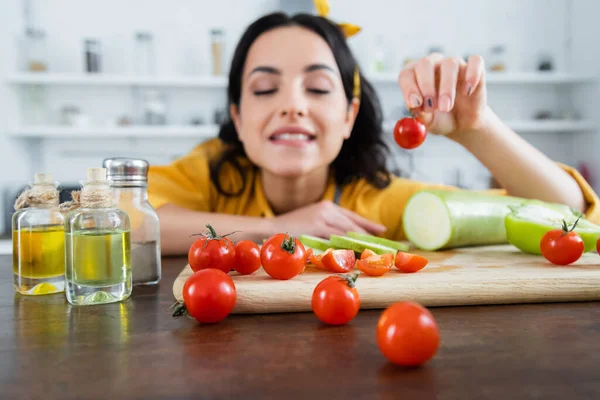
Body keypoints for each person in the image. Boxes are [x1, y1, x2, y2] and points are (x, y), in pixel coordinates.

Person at [147, 3, 600, 255]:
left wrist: (475, 127)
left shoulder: (377, 202)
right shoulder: (208, 172)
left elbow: (566, 215)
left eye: (319, 88)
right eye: (265, 89)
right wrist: (278, 228)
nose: (292, 105)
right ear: (238, 118)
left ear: (349, 116)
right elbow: (120, 219)